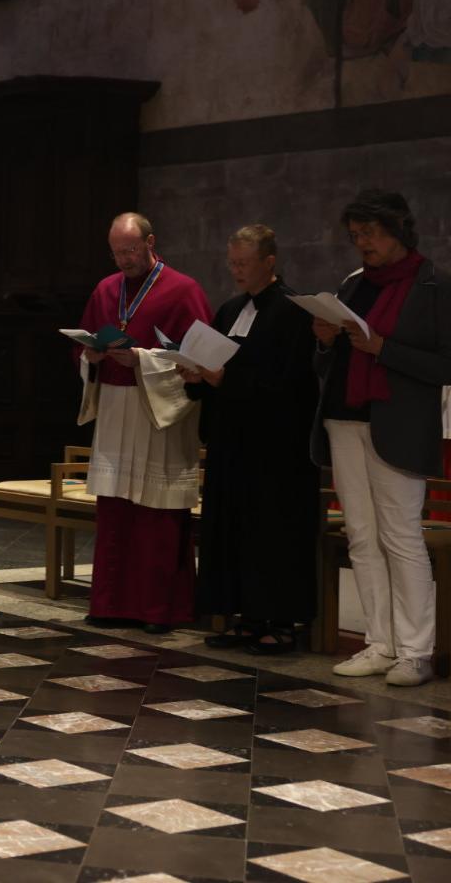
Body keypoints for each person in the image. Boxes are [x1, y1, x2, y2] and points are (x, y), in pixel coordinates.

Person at [311, 189, 451, 688]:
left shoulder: (432, 285)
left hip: (398, 423)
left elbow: (444, 364)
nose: (362, 244)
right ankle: (379, 642)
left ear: (397, 230)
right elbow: (334, 361)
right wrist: (325, 343)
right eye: (355, 236)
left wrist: (383, 348)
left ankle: (416, 652)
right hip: (345, 418)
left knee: (402, 538)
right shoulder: (354, 284)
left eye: (369, 233)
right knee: (363, 536)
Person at [180, 225, 320, 653]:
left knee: (271, 533)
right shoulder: (230, 309)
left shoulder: (295, 312)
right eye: (232, 263)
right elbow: (216, 370)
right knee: (233, 529)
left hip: (276, 448)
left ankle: (279, 621)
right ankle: (245, 615)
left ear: (269, 262)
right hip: (231, 443)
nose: (235, 271)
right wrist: (195, 377)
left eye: (243, 263)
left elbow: (293, 381)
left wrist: (227, 379)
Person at [75, 211, 212, 634]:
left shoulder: (184, 290)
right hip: (116, 408)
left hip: (159, 412)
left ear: (151, 242)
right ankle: (110, 603)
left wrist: (140, 359)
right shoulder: (105, 289)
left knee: (157, 512)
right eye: (117, 252)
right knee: (116, 510)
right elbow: (82, 343)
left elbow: (200, 357)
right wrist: (90, 356)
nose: (124, 260)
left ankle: (158, 608)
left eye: (131, 250)